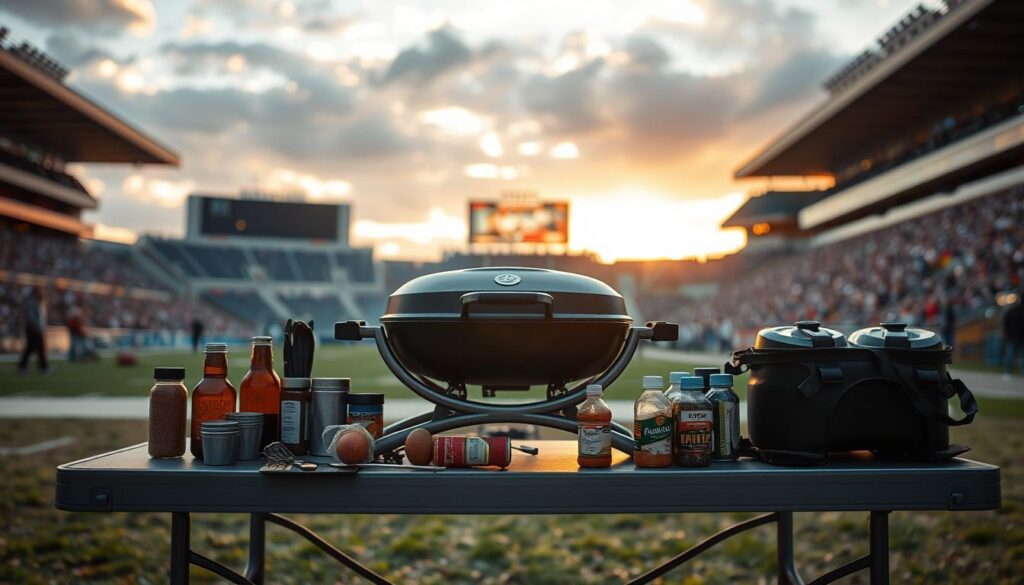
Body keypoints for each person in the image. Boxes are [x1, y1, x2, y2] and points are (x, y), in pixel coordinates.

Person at [18, 285, 50, 374]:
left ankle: (23, 366)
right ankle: (43, 367)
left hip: (35, 328)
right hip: (33, 329)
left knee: (31, 348)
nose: (43, 293)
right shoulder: (32, 302)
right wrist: (36, 328)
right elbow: (31, 317)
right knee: (39, 348)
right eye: (41, 291)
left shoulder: (38, 302)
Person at [1004, 293, 1024, 376]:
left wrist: (1007, 334)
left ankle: (1008, 372)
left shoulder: (1012, 310)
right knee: (1013, 354)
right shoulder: (1013, 310)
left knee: (1010, 354)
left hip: (1013, 335)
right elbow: (1006, 323)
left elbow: (1006, 323)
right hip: (1016, 336)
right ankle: (1010, 371)